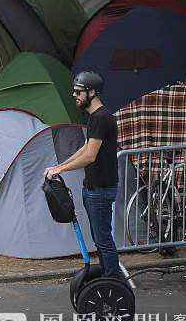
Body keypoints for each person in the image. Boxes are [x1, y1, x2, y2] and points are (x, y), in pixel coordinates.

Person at [45, 70, 120, 278]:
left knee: (103, 240)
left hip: (101, 190)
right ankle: (107, 278)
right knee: (99, 239)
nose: (75, 96)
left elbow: (90, 157)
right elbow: (85, 148)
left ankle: (114, 282)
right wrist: (58, 166)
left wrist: (60, 170)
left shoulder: (102, 118)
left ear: (92, 92)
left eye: (79, 92)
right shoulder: (94, 118)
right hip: (93, 189)